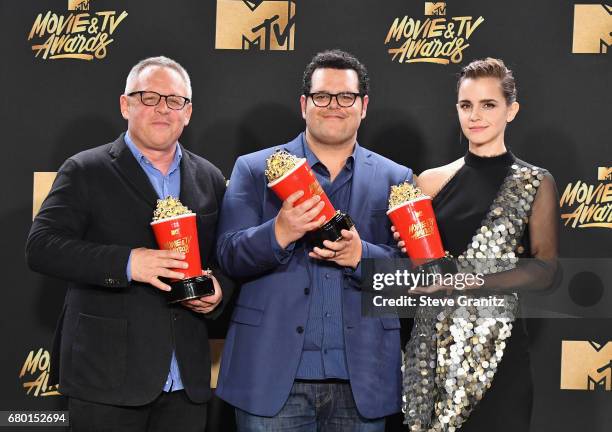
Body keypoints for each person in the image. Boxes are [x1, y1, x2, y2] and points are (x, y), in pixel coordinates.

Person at [26, 56, 231, 432]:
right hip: (106, 381)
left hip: (187, 384)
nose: (162, 109)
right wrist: (127, 263)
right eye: (149, 97)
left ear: (188, 113)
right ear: (126, 104)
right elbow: (41, 246)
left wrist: (218, 292)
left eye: (174, 101)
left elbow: (226, 257)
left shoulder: (210, 177)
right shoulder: (86, 169)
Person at [215, 49, 413, 431]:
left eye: (346, 97)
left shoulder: (396, 178)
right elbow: (228, 255)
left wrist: (362, 256)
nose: (333, 106)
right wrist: (280, 232)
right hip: (269, 377)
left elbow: (412, 277)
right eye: (322, 96)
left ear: (364, 105)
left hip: (363, 382)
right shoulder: (255, 169)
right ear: (305, 104)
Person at [395, 58, 559, 431]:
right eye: (466, 105)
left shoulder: (534, 182)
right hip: (433, 352)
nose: (475, 116)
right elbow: (420, 267)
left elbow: (547, 270)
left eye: (489, 104)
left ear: (511, 110)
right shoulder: (430, 183)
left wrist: (466, 280)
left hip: (500, 354)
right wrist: (407, 247)